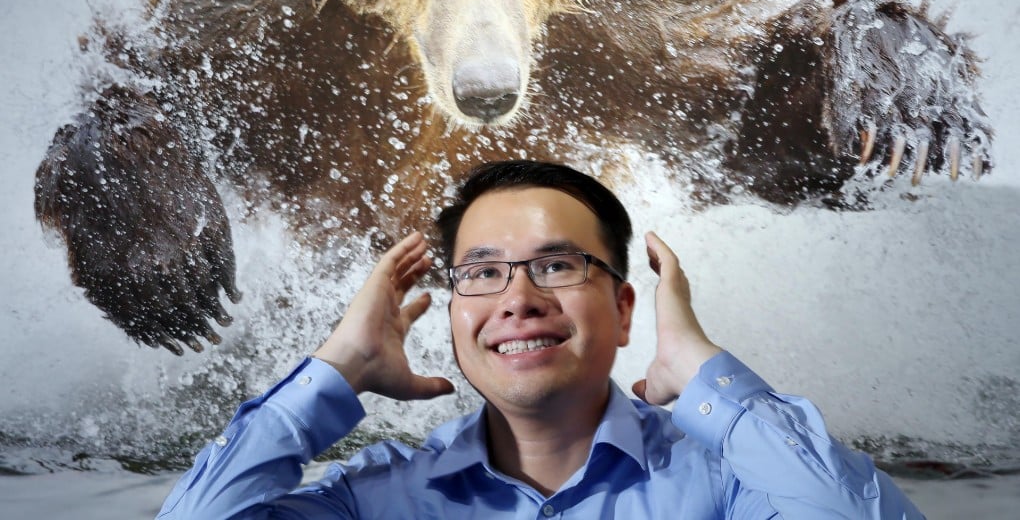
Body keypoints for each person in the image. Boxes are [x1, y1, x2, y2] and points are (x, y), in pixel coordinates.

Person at [158, 159, 925, 519]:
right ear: (454, 312)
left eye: (557, 265)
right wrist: (339, 367)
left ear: (627, 310)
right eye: (482, 274)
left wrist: (702, 372)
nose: (519, 300)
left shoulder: (723, 487)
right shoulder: (379, 499)